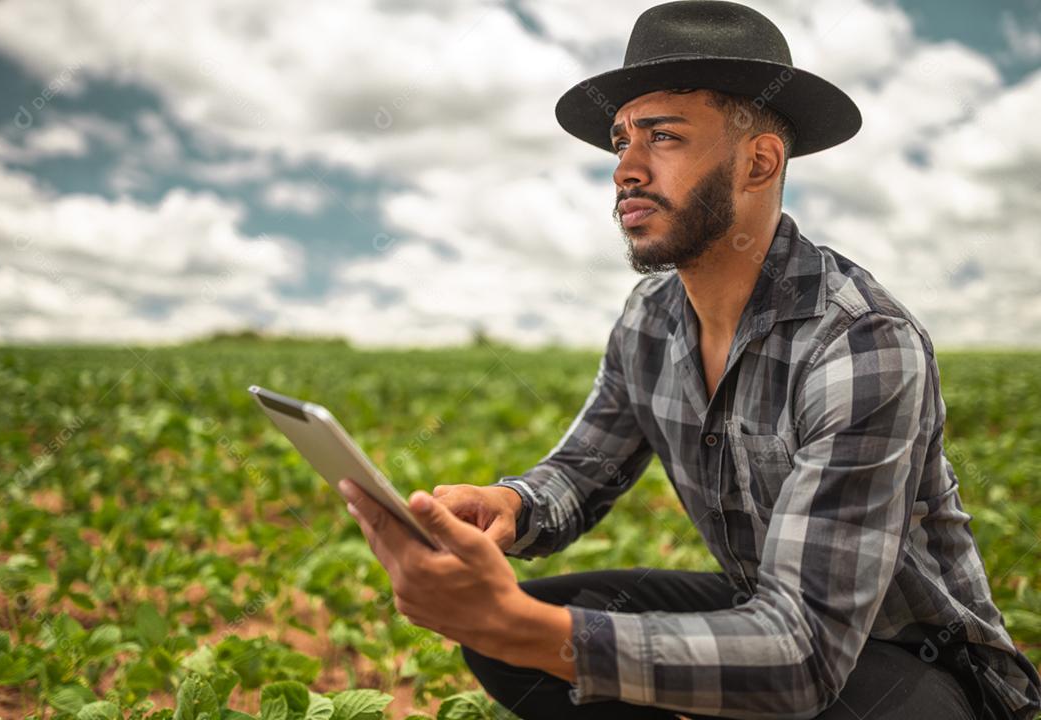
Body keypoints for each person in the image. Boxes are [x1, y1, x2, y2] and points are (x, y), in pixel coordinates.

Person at [338, 1, 1041, 718]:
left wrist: (529, 630)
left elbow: (803, 654)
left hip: (904, 664)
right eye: (621, 143)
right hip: (768, 617)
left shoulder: (860, 341)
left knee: (533, 633)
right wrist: (508, 506)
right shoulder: (649, 321)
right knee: (512, 638)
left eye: (662, 137)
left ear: (759, 162)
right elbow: (581, 474)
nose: (625, 170)